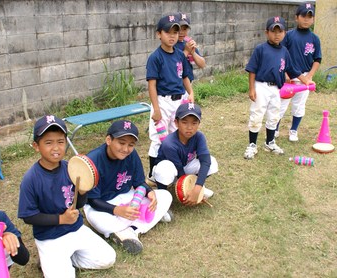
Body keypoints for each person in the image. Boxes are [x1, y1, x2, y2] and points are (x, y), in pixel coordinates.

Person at [18, 115, 116, 278]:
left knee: (107, 259)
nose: (56, 148)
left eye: (60, 141)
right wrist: (61, 219)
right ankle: (51, 261)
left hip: (75, 228)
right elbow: (28, 216)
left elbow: (77, 204)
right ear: (36, 146)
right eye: (48, 142)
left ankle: (65, 259)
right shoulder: (31, 178)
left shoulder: (72, 167)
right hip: (49, 237)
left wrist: (83, 192)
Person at [83, 120, 173, 255]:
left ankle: (131, 230)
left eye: (131, 145)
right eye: (121, 142)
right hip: (101, 205)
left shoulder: (131, 155)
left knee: (165, 196)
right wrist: (116, 210)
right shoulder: (93, 160)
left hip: (126, 196)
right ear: (109, 140)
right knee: (101, 222)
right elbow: (92, 200)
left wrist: (149, 193)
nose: (126, 149)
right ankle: (142, 221)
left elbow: (139, 183)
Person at [243, 16, 314, 160]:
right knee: (257, 115)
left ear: (284, 33)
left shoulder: (284, 51)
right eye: (273, 31)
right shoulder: (260, 49)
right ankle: (252, 145)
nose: (277, 34)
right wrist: (252, 89)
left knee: (274, 115)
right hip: (261, 86)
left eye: (280, 31)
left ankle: (270, 142)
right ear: (266, 32)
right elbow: (252, 70)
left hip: (276, 88)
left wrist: (305, 80)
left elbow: (292, 69)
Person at [146, 14, 195, 182]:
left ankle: (174, 168)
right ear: (159, 34)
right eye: (168, 32)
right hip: (161, 101)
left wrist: (191, 93)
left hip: (179, 101)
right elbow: (152, 85)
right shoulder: (155, 57)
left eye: (176, 32)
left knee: (176, 136)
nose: (172, 35)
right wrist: (157, 109)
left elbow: (185, 76)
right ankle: (153, 174)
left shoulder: (180, 55)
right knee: (158, 139)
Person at [151, 103, 218, 206]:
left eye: (194, 123)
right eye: (185, 122)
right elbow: (179, 170)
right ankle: (161, 198)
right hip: (170, 171)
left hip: (184, 166)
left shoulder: (199, 137)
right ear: (176, 123)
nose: (189, 127)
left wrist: (197, 188)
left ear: (199, 123)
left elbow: (205, 161)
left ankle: (198, 186)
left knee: (212, 162)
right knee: (164, 170)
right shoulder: (169, 143)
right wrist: (189, 191)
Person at [276, 3, 321, 142]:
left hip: (305, 78)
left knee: (299, 106)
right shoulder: (288, 36)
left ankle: (293, 130)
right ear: (296, 17)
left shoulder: (314, 39)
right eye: (303, 16)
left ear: (313, 19)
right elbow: (280, 55)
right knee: (281, 105)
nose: (306, 19)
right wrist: (285, 74)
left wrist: (309, 76)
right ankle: (275, 128)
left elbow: (317, 59)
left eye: (310, 16)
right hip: (288, 79)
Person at [175, 12, 206, 82]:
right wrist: (186, 51)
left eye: (184, 29)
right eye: (179, 29)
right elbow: (172, 65)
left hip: (189, 82)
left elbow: (202, 65)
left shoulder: (188, 42)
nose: (181, 32)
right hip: (175, 84)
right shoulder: (170, 44)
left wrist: (193, 53)